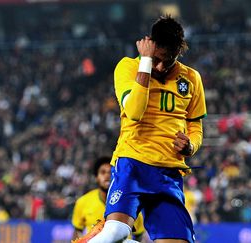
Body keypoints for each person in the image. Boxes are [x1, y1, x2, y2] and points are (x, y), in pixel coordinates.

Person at [88, 15, 207, 243]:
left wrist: (192, 145)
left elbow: (195, 125)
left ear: (179, 52)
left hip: (168, 173)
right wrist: (145, 63)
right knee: (116, 232)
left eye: (169, 60)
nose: (161, 66)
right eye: (157, 59)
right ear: (149, 45)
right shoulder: (128, 67)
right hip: (133, 163)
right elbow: (134, 111)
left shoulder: (192, 78)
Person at [71, 156, 145, 242]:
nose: (107, 175)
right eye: (103, 172)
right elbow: (77, 230)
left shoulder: (130, 202)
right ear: (96, 177)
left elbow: (139, 234)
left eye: (110, 172)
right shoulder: (83, 201)